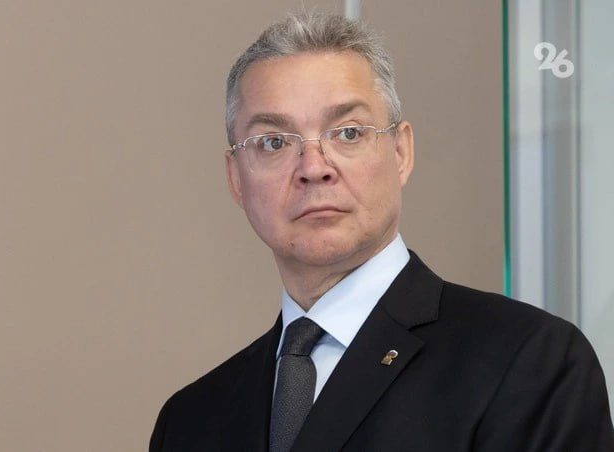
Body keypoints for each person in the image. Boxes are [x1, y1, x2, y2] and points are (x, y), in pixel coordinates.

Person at [149, 12, 614, 452]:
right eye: (274, 142)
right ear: (236, 178)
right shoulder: (190, 420)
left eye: (348, 132)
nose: (313, 167)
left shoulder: (527, 362)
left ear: (401, 152)